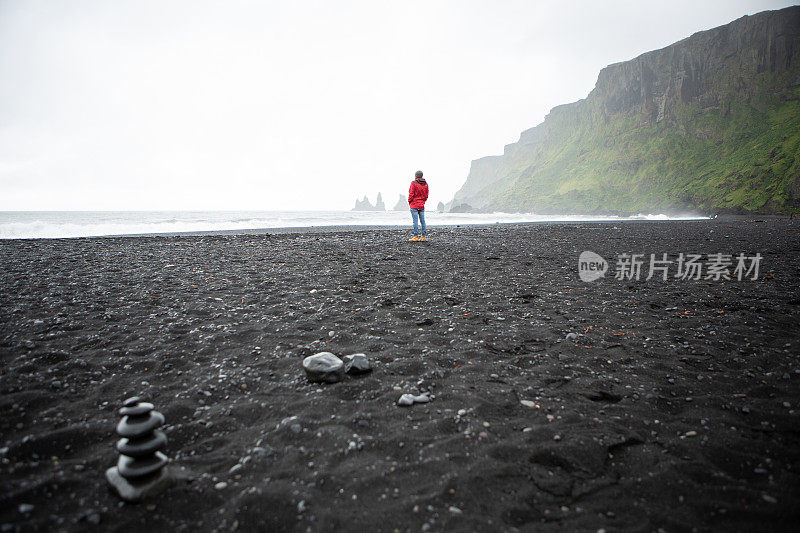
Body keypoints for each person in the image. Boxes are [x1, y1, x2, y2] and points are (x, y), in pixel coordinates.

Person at [408, 170, 429, 241]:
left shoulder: (413, 183)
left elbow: (411, 194)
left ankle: (416, 236)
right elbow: (426, 195)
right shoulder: (425, 184)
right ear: (422, 176)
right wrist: (423, 201)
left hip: (414, 204)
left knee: (415, 221)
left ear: (415, 176)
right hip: (421, 205)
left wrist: (409, 201)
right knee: (422, 221)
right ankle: (423, 236)